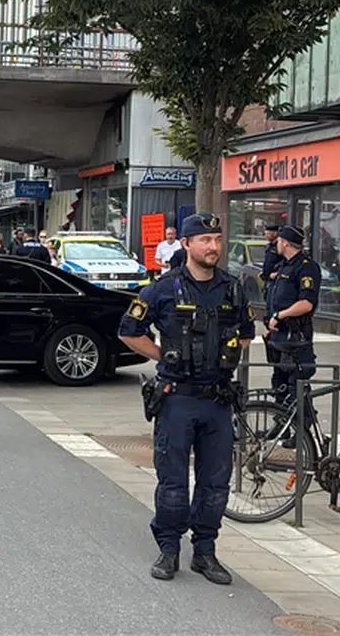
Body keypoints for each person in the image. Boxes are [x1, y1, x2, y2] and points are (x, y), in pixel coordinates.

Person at [117, 212, 254, 585]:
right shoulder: (162, 288)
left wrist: (219, 355)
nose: (213, 247)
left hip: (217, 401)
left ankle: (205, 553)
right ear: (187, 244)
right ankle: (169, 549)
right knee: (173, 483)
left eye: (217, 240)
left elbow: (245, 333)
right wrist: (163, 356)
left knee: (215, 485)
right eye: (205, 240)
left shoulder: (233, 288)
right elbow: (129, 331)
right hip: (177, 399)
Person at [263, 224, 320, 445]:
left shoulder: (306, 267)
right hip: (279, 337)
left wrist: (280, 315)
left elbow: (306, 303)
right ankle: (282, 425)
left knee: (298, 385)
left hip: (296, 337)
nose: (276, 243)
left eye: (279, 241)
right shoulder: (284, 266)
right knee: (280, 383)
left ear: (285, 242)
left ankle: (303, 433)